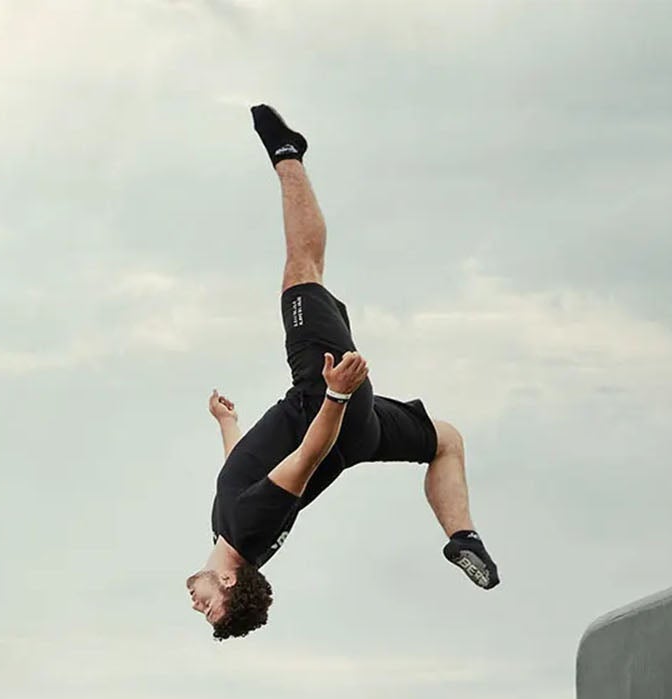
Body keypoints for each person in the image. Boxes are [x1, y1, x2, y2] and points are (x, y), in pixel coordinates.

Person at [188, 105, 500, 641]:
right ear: (229, 584)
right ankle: (288, 154)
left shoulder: (233, 531)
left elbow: (248, 467)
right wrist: (334, 395)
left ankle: (464, 538)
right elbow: (304, 458)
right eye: (212, 609)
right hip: (324, 405)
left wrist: (227, 423)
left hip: (356, 436)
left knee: (445, 440)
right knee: (302, 271)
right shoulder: (246, 529)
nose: (198, 606)